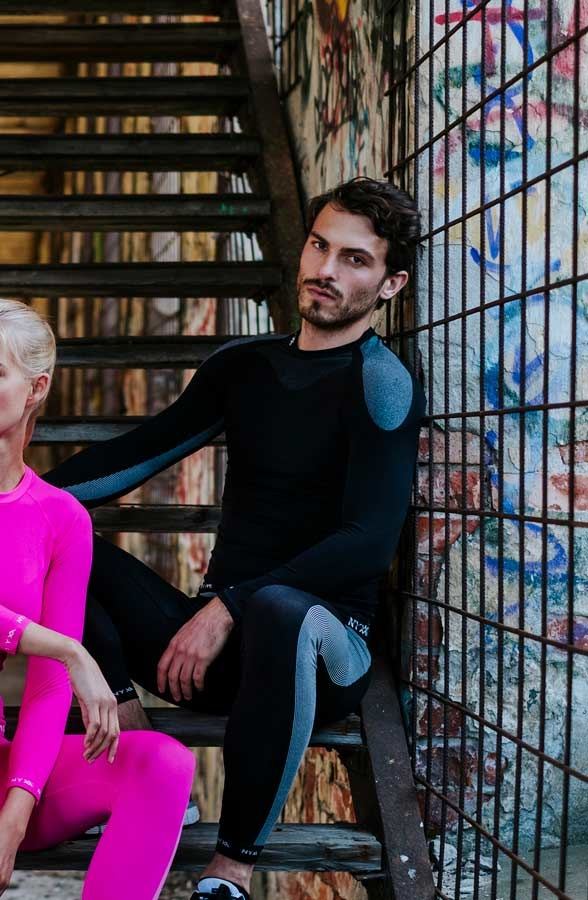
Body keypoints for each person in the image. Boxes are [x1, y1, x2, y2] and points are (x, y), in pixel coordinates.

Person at [44, 176, 427, 900]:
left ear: (390, 284)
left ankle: (229, 873)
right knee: (61, 536)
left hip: (321, 648)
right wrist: (24, 506)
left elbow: (366, 543)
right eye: (319, 246)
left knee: (280, 608)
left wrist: (229, 606)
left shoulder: (379, 383)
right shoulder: (244, 367)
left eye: (353, 259)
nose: (325, 269)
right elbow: (138, 452)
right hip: (211, 652)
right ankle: (134, 748)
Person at [0, 298, 196, 900]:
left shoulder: (59, 517)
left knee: (162, 764)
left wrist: (16, 812)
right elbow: (59, 656)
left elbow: (48, 690)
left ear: (36, 389)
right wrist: (69, 648)